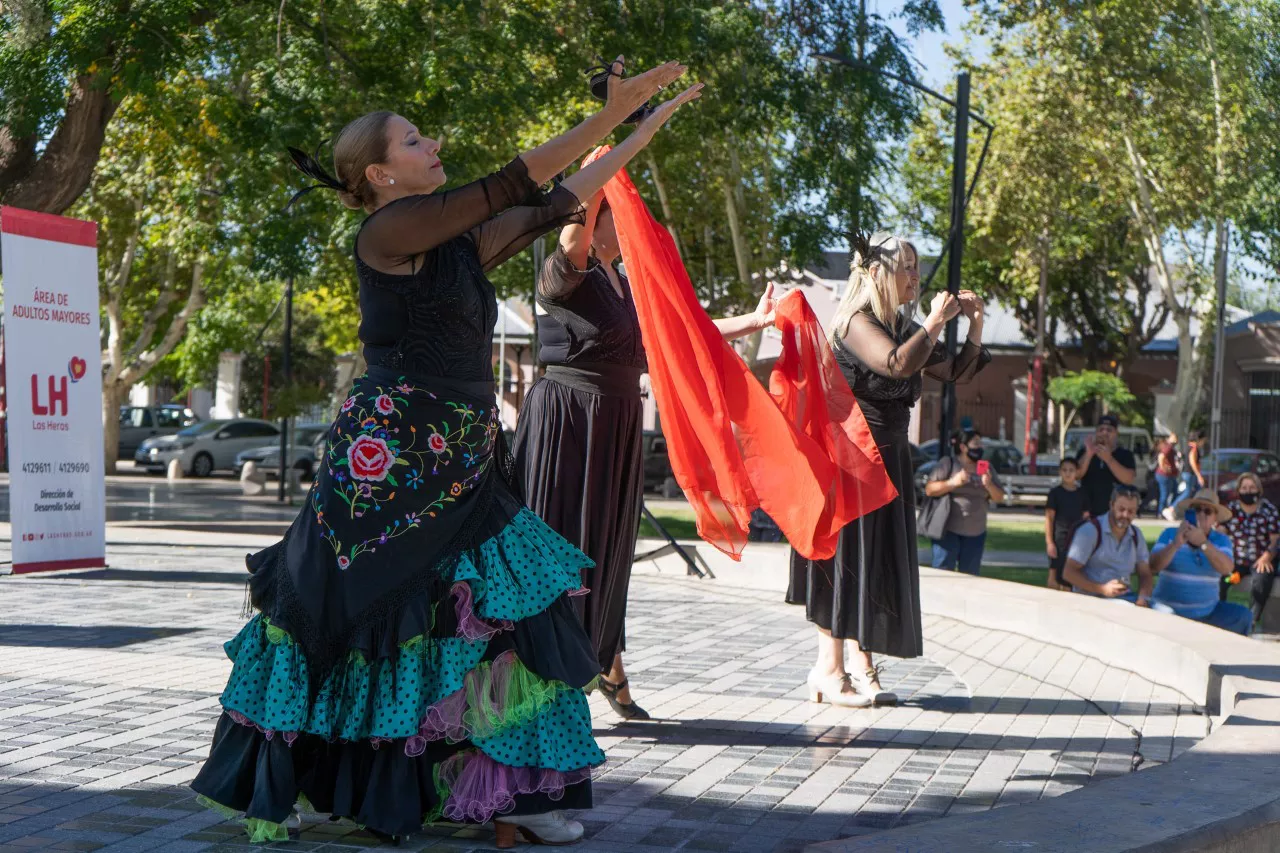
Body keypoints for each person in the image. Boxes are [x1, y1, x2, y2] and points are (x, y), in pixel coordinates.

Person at [191, 59, 703, 847]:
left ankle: (511, 798)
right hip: (385, 461)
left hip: (462, 455)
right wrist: (610, 112)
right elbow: (516, 179)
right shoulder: (386, 231)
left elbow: (558, 198)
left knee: (508, 605)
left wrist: (640, 127)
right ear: (378, 172)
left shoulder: (457, 247)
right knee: (331, 608)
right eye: (413, 139)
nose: (431, 143)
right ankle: (293, 775)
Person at [514, 188, 775, 721]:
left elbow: (679, 337)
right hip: (570, 421)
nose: (636, 225)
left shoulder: (626, 285)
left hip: (617, 424)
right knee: (563, 546)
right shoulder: (568, 275)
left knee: (608, 550)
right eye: (622, 215)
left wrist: (753, 321)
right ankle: (551, 683)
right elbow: (571, 237)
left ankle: (604, 659)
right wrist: (605, 162)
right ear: (593, 221)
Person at [787, 232, 990, 708]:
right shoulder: (856, 323)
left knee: (875, 561)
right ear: (878, 273)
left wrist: (975, 326)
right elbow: (897, 364)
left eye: (918, 266)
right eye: (907, 266)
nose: (916, 275)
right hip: (851, 457)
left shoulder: (903, 325)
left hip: (889, 458)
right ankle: (828, 669)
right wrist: (937, 320)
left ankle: (863, 665)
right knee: (845, 559)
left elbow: (955, 373)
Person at [1150, 489, 1252, 635]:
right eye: (1197, 510)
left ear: (1215, 519)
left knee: (1242, 616)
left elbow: (1227, 569)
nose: (1201, 515)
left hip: (1208, 612)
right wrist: (1176, 544)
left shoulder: (1221, 540)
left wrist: (1203, 543)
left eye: (1207, 511)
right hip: (1170, 609)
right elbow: (1153, 566)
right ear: (1189, 513)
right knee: (1167, 617)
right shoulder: (1170, 534)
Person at [925, 428, 1005, 576]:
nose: (980, 447)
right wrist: (952, 483)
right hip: (948, 531)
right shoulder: (948, 463)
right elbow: (929, 489)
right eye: (976, 443)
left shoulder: (986, 467)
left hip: (976, 533)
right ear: (963, 447)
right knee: (943, 575)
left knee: (970, 577)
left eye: (981, 444)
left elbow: (999, 497)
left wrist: (989, 485)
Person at [1062, 484, 1153, 605]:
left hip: (1126, 597)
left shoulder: (1136, 535)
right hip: (1092, 599)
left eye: (1131, 511)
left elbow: (1145, 573)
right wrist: (1102, 589)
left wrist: (1143, 598)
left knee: (1166, 612)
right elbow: (1068, 573)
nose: (1125, 515)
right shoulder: (1090, 531)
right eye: (1121, 509)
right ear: (1111, 505)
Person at [1217, 473, 1280, 622]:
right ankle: (1218, 616)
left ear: (1259, 490)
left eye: (1252, 487)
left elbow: (1275, 540)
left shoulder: (1268, 510)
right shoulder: (1230, 511)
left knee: (1260, 582)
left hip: (1260, 560)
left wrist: (1267, 557)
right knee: (1223, 581)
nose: (1248, 491)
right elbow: (1221, 533)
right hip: (1237, 565)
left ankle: (1251, 620)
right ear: (1238, 491)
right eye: (1244, 488)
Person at [1074, 414, 1137, 518]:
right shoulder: (1084, 452)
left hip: (1115, 512)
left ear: (1116, 433)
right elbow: (1076, 475)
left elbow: (1129, 479)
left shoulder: (1125, 454)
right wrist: (1089, 454)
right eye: (1101, 429)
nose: (1104, 433)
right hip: (1087, 512)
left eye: (1109, 430)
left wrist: (1109, 459)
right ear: (1096, 432)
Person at [1045, 456, 1089, 589]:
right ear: (1060, 472)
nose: (1068, 473)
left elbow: (1086, 518)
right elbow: (1049, 518)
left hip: (1077, 539)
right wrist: (1050, 542)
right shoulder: (1055, 493)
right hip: (1059, 539)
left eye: (1071, 470)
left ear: (1077, 472)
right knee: (1055, 576)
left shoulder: (1082, 493)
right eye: (1064, 470)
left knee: (1071, 577)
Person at [1155, 432, 1180, 519]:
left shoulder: (1171, 448)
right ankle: (1161, 512)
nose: (1176, 440)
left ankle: (1168, 509)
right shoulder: (1168, 447)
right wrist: (1164, 468)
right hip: (1164, 475)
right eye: (1174, 438)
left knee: (1175, 492)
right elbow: (1161, 456)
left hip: (1170, 475)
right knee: (1165, 494)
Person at [1181, 431, 1206, 499]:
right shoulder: (1193, 448)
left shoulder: (1188, 447)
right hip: (1190, 473)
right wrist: (1199, 476)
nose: (1203, 443)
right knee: (1188, 492)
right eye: (1203, 441)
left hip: (1187, 473)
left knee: (1194, 491)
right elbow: (1193, 463)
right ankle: (1173, 507)